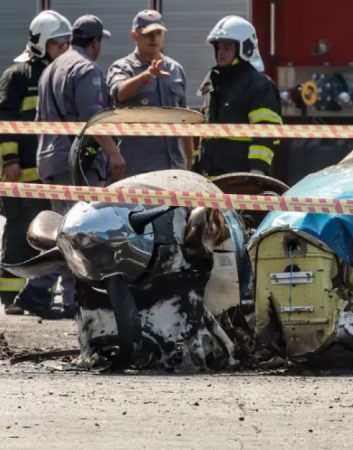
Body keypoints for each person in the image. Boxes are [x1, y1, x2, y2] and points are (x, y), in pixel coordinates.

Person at [36, 15, 126, 317]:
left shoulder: (51, 68)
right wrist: (114, 153)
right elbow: (93, 118)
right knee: (84, 234)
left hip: (50, 158)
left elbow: (39, 121)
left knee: (63, 232)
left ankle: (54, 295)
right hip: (76, 164)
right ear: (96, 41)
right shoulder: (86, 69)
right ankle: (72, 299)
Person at [0, 10, 72, 318]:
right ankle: (10, 294)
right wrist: (10, 159)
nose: (63, 49)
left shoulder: (58, 73)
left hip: (46, 175)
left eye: (66, 43)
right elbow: (4, 118)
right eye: (58, 43)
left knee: (47, 233)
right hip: (21, 172)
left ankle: (39, 293)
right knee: (18, 231)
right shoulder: (17, 75)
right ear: (41, 42)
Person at [107, 9, 193, 176]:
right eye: (148, 34)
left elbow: (185, 118)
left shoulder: (176, 70)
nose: (154, 39)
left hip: (174, 167)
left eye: (158, 33)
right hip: (138, 171)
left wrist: (188, 160)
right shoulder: (122, 67)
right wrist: (147, 76)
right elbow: (119, 93)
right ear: (134, 36)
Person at [195, 15, 282, 177]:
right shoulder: (214, 82)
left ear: (245, 48)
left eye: (227, 48)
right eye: (219, 48)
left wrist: (257, 170)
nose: (220, 53)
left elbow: (266, 131)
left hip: (241, 180)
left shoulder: (258, 85)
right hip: (210, 179)